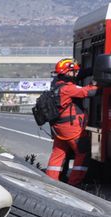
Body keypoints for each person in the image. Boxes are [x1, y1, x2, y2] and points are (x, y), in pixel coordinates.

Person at [45, 58, 99, 186]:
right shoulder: (68, 88)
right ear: (68, 72)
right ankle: (74, 183)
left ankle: (50, 182)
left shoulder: (56, 84)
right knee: (83, 152)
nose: (76, 74)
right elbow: (88, 91)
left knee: (58, 154)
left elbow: (79, 76)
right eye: (74, 71)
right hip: (71, 129)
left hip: (58, 128)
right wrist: (97, 83)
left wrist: (91, 70)